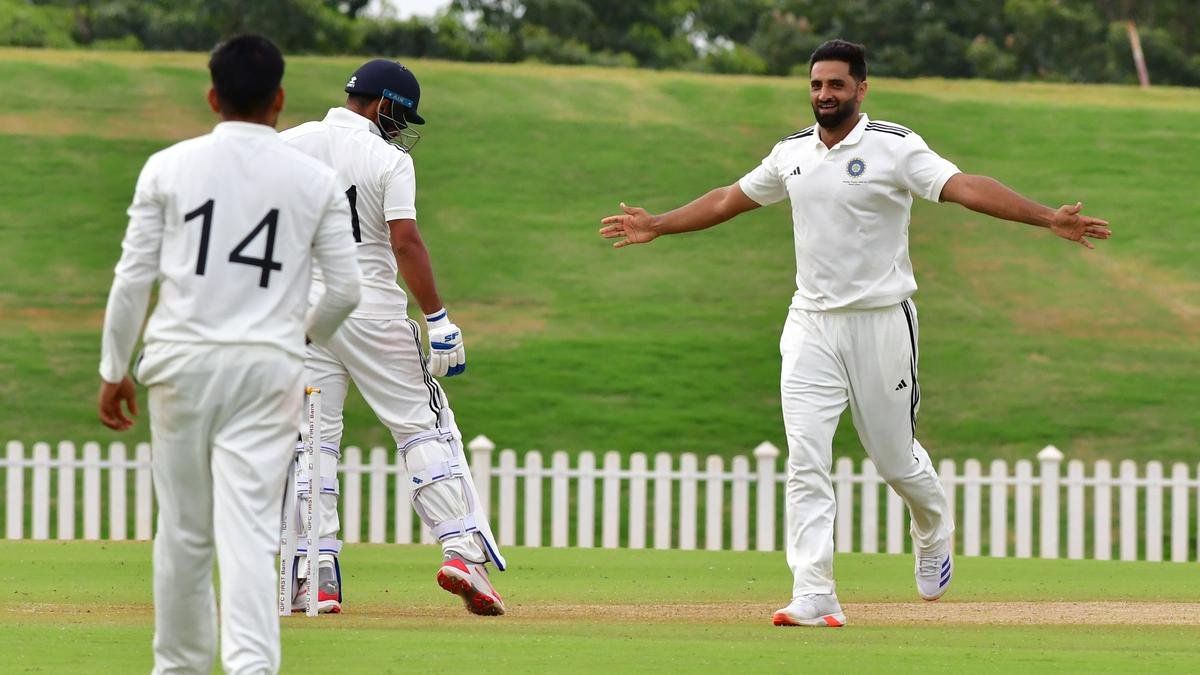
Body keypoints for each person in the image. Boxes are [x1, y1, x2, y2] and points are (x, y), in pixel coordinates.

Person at [599, 39, 1111, 628]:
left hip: (882, 322)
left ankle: (932, 528)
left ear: (861, 89)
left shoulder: (895, 146)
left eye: (836, 84)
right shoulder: (791, 153)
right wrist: (658, 225)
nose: (824, 94)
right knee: (805, 459)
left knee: (895, 462)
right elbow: (726, 200)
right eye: (816, 85)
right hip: (811, 324)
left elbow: (966, 187)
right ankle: (814, 591)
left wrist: (1047, 217)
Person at [96, 35, 362, 672]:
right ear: (280, 99)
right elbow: (346, 290)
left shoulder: (167, 168)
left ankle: (178, 666)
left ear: (213, 98)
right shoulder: (315, 180)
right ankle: (251, 667)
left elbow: (133, 280)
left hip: (180, 364)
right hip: (266, 371)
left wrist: (113, 369)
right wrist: (299, 337)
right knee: (249, 530)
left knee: (184, 532)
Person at [278, 58, 507, 616]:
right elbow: (405, 242)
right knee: (422, 426)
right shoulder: (389, 159)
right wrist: (438, 319)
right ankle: (461, 550)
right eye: (400, 117)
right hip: (373, 311)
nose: (401, 128)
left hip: (306, 313)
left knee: (313, 440)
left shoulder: (289, 144)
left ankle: (315, 576)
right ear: (383, 105)